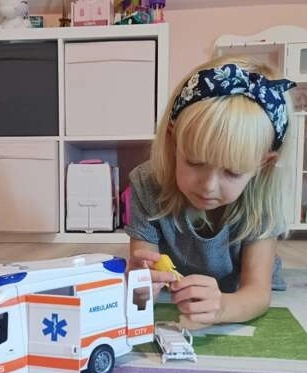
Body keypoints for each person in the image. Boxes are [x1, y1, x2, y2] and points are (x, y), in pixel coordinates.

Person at [126, 55, 296, 328]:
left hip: (236, 288)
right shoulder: (146, 183)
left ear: (263, 165)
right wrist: (140, 287)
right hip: (178, 289)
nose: (208, 186)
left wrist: (223, 308)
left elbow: (257, 293)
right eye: (195, 162)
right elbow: (141, 290)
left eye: (233, 172)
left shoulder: (262, 198)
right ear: (173, 141)